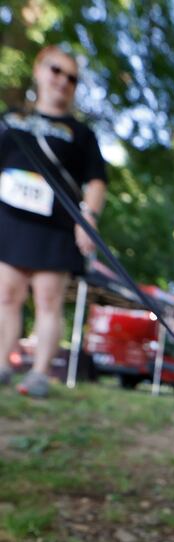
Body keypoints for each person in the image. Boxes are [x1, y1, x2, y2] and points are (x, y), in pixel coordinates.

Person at [0, 45, 107, 397]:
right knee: (6, 295)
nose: (63, 80)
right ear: (39, 70)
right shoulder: (11, 119)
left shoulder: (80, 133)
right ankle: (2, 364)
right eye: (56, 70)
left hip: (55, 226)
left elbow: (96, 180)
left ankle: (40, 374)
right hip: (10, 220)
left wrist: (87, 218)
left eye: (72, 77)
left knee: (48, 299)